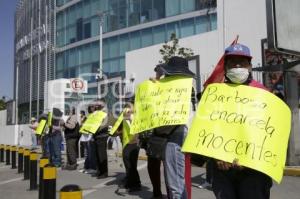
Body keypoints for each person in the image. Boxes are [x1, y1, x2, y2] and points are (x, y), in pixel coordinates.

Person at [205, 43, 273, 199]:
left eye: (241, 61)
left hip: (254, 171)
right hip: (222, 169)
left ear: (249, 66)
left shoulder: (263, 94)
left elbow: (269, 133)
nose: (237, 65)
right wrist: (218, 155)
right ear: (226, 66)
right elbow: (207, 128)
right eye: (232, 61)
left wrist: (250, 159)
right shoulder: (214, 93)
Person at [150, 57, 195, 199]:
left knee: (176, 183)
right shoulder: (187, 88)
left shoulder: (179, 89)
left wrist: (157, 82)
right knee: (177, 181)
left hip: (176, 135)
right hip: (180, 136)